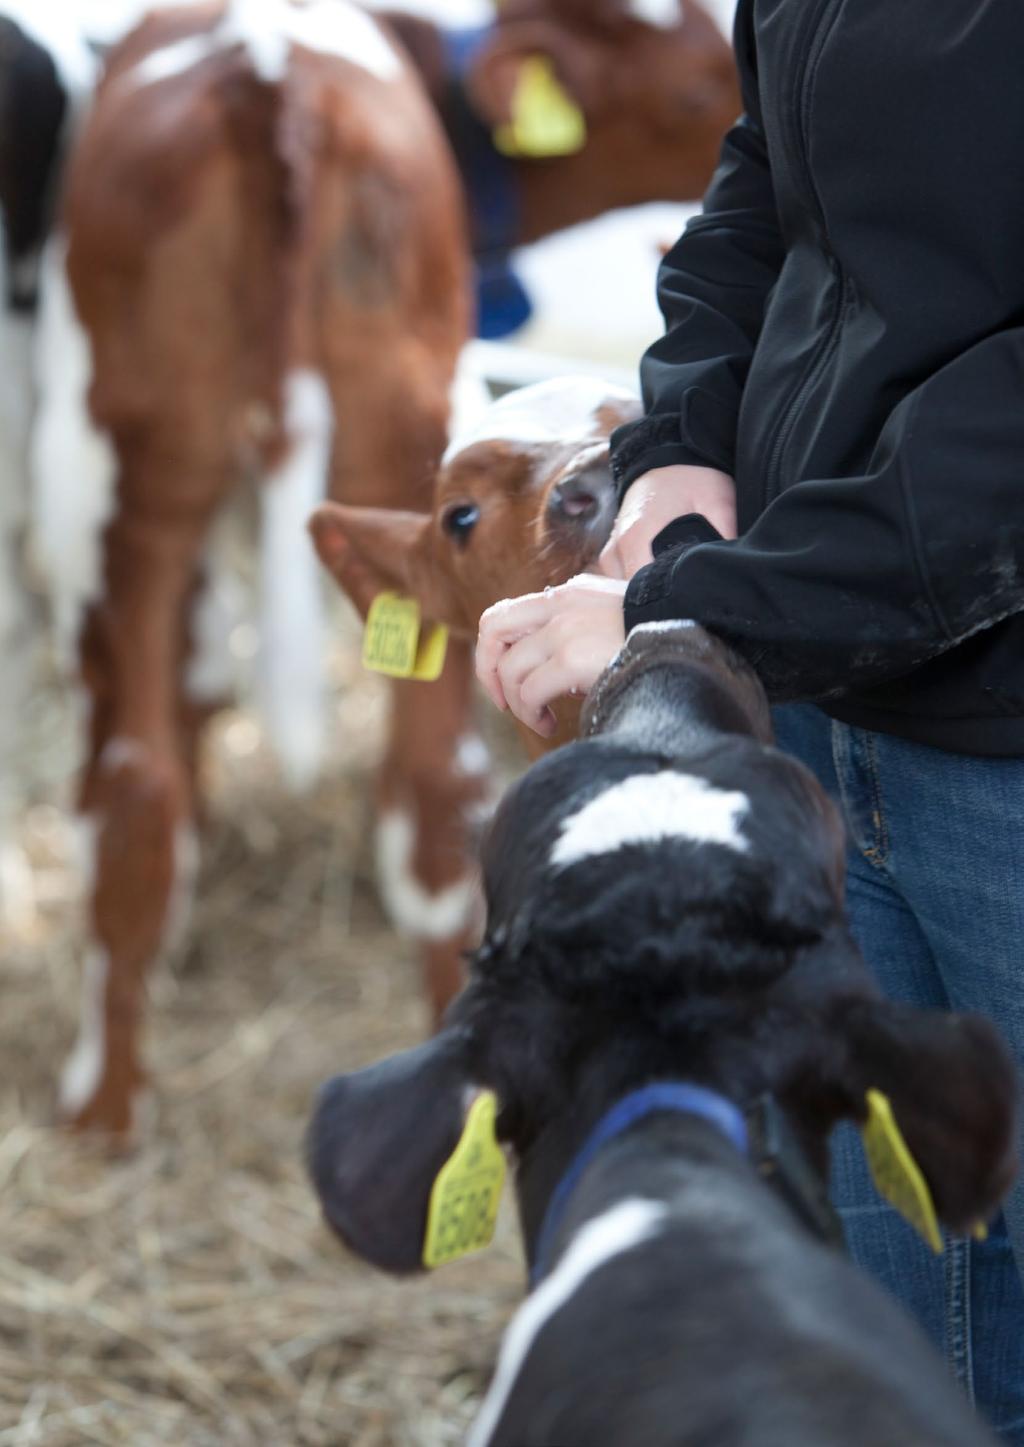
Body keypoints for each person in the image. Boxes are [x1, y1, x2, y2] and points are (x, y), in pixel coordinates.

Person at [475, 0, 1024, 1438]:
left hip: (1000, 749)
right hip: (828, 715)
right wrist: (676, 452)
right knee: (879, 1302)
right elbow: (761, 182)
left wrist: (705, 612)